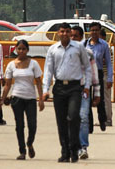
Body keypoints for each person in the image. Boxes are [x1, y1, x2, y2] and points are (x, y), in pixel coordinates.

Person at [42, 23, 91, 163]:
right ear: (58, 33)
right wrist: (45, 90)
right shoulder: (52, 49)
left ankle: (74, 149)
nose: (64, 34)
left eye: (67, 31)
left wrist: (87, 85)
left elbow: (87, 67)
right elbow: (48, 71)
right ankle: (65, 151)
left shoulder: (78, 47)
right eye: (62, 31)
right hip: (59, 88)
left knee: (74, 117)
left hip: (75, 87)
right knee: (61, 121)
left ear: (71, 33)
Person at [1, 40, 44, 160]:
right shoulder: (11, 65)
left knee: (32, 125)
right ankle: (22, 151)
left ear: (27, 50)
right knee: (19, 125)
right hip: (17, 98)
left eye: (23, 49)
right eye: (19, 49)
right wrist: (2, 98)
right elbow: (8, 84)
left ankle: (29, 143)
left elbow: (39, 83)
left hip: (30, 98)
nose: (21, 51)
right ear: (16, 49)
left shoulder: (33, 64)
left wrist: (40, 99)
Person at [71, 26, 100, 160]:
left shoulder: (88, 53)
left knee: (83, 117)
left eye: (75, 36)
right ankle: (72, 146)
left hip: (83, 89)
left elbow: (93, 73)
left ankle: (83, 147)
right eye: (71, 36)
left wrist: (97, 93)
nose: (72, 38)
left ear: (81, 37)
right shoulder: (63, 51)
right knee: (70, 118)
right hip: (68, 90)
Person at [84, 23, 112, 130]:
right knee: (87, 99)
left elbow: (109, 63)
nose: (94, 32)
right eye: (92, 30)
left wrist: (109, 78)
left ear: (99, 31)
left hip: (98, 73)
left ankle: (102, 119)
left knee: (100, 98)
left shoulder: (104, 45)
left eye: (96, 30)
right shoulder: (84, 44)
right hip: (87, 74)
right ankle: (89, 125)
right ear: (89, 31)